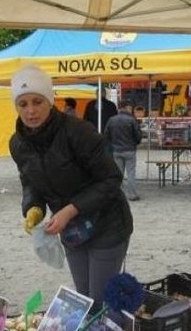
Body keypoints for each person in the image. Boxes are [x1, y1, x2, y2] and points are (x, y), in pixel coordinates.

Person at [9, 65, 133, 313]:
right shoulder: (18, 143)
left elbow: (111, 178)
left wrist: (70, 209)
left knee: (101, 302)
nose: (31, 110)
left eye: (37, 101)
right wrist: (33, 207)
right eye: (23, 104)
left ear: (50, 100)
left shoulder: (78, 132)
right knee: (84, 299)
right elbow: (30, 181)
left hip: (108, 224)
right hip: (73, 232)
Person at [104, 101, 143, 201]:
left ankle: (118, 195)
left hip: (116, 150)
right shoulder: (132, 120)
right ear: (127, 107)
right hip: (130, 150)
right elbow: (138, 136)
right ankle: (132, 194)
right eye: (130, 108)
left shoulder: (111, 120)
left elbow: (106, 135)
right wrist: (135, 143)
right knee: (131, 173)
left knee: (118, 174)